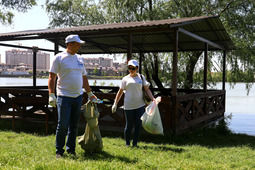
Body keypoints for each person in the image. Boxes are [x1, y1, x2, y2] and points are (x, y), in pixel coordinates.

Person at [48, 34, 97, 158]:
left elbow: (84, 77)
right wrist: (51, 94)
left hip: (78, 97)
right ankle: (59, 151)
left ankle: (71, 150)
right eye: (77, 44)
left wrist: (90, 93)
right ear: (69, 44)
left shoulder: (80, 59)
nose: (79, 46)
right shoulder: (59, 58)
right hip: (64, 97)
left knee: (74, 126)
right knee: (62, 125)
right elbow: (52, 77)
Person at [112, 59, 156, 147]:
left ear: (137, 68)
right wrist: (115, 103)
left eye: (133, 68)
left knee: (138, 125)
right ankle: (127, 143)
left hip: (140, 105)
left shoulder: (141, 77)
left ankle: (135, 144)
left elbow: (147, 89)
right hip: (128, 106)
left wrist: (153, 99)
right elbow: (120, 92)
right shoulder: (125, 79)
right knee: (128, 125)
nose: (131, 70)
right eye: (129, 68)